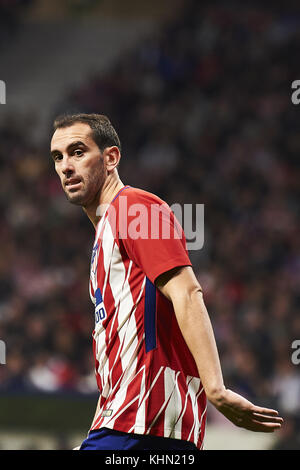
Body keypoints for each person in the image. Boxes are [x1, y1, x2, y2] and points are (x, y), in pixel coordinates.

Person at [50, 113, 283, 451]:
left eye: (77, 151)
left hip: (145, 425)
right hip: (129, 424)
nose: (66, 166)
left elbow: (188, 292)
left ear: (111, 157)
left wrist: (216, 388)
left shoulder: (132, 207)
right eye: (58, 157)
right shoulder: (106, 233)